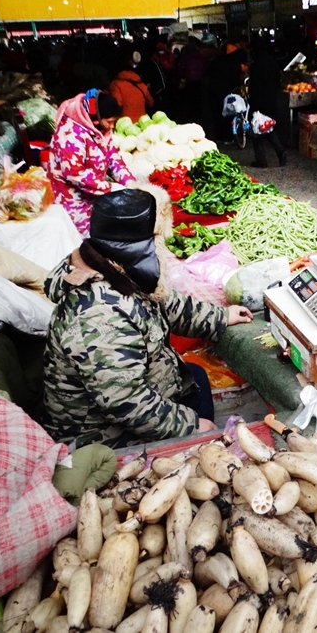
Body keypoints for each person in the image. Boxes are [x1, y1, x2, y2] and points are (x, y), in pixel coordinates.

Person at [41, 185, 254, 448]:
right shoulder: (98, 314)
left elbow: (169, 304)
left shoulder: (118, 269)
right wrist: (189, 425)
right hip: (102, 434)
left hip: (136, 390)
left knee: (195, 377)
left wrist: (220, 316)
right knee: (201, 427)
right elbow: (126, 402)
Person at [47, 88, 135, 236]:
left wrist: (130, 183)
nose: (112, 127)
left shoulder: (100, 127)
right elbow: (74, 174)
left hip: (94, 194)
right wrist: (110, 187)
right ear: (97, 116)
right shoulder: (69, 134)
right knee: (88, 241)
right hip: (70, 200)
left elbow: (112, 156)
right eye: (110, 122)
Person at [248, 36, 288, 168]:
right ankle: (281, 151)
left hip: (258, 101)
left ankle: (261, 160)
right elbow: (278, 82)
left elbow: (254, 86)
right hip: (271, 99)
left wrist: (252, 102)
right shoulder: (273, 63)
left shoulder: (255, 65)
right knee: (267, 127)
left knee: (256, 129)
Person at [109, 54, 154, 122]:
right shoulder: (142, 85)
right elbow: (151, 103)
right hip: (142, 124)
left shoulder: (116, 84)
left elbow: (116, 105)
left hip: (125, 126)